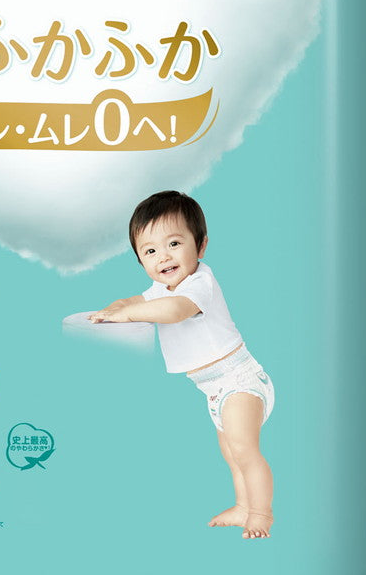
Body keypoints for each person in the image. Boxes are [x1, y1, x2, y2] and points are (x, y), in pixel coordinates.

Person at [89, 190, 275, 539]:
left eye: (174, 243)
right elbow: (137, 299)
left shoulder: (199, 283)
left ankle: (261, 514)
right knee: (231, 453)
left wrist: (129, 314)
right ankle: (242, 506)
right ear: (140, 259)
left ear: (200, 246)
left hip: (239, 380)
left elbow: (174, 311)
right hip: (214, 389)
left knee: (245, 451)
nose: (163, 256)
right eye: (150, 251)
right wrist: (115, 307)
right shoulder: (162, 288)